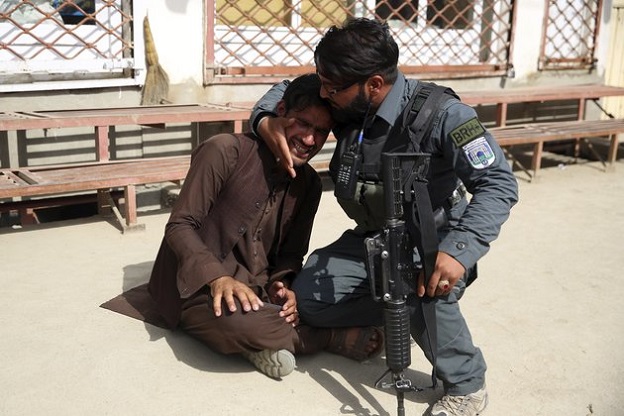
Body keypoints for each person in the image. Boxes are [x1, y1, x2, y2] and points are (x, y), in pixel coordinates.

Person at [249, 19, 518, 415]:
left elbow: (498, 184)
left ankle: (467, 386)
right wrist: (264, 119)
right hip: (373, 236)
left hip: (430, 243)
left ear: (374, 84)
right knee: (307, 300)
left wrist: (458, 252)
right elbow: (287, 90)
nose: (323, 94)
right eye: (324, 83)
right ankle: (394, 317)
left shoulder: (445, 115)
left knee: (418, 292)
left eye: (331, 87)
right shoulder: (347, 98)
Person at [147, 73, 383, 380]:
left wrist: (283, 285)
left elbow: (291, 255)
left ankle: (258, 344)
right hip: (198, 287)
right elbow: (180, 225)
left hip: (256, 293)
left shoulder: (310, 184)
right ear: (281, 111)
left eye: (320, 131)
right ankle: (327, 338)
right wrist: (217, 277)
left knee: (305, 304)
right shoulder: (224, 150)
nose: (309, 140)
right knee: (233, 321)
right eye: (303, 123)